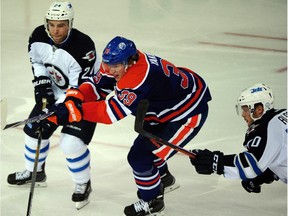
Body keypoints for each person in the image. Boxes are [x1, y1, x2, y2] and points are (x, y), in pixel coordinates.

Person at [47, 36, 212, 216]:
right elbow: (97, 86)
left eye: (115, 66)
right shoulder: (117, 62)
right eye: (107, 64)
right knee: (148, 154)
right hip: (160, 108)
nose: (109, 70)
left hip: (186, 113)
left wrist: (71, 113)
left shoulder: (138, 77)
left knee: (141, 157)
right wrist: (76, 96)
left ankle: (153, 201)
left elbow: (109, 113)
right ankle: (164, 179)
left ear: (130, 63)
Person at [7, 1, 100, 209]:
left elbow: (82, 86)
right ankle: (35, 172)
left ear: (70, 24)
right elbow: (37, 62)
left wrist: (61, 107)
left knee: (71, 144)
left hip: (83, 100)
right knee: (32, 130)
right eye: (51, 24)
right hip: (55, 94)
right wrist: (41, 87)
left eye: (61, 25)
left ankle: (82, 183)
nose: (55, 30)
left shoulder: (83, 47)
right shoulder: (38, 36)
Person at [190, 83, 287, 193]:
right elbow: (282, 155)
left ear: (259, 109)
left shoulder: (265, 128)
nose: (243, 114)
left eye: (245, 110)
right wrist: (265, 176)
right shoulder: (282, 115)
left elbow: (251, 166)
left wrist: (214, 161)